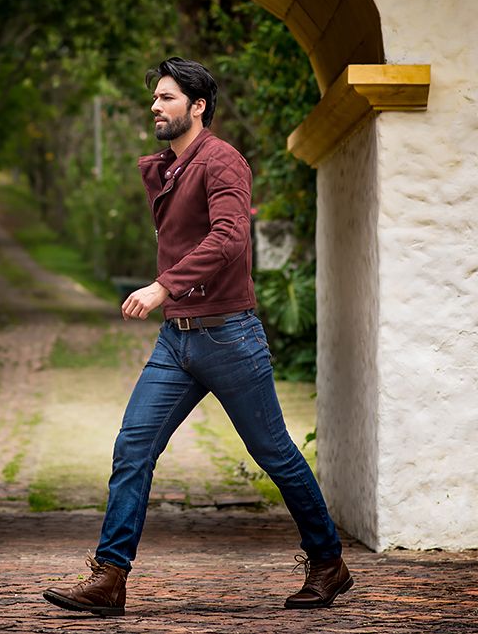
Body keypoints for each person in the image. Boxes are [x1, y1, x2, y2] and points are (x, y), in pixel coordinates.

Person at [42, 57, 352, 617]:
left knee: (276, 455)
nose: (154, 107)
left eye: (166, 98)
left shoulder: (222, 161)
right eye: (154, 99)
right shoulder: (169, 167)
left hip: (229, 337)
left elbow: (231, 238)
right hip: (176, 344)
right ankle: (110, 577)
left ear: (198, 105)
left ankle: (328, 562)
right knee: (133, 447)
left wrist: (164, 286)